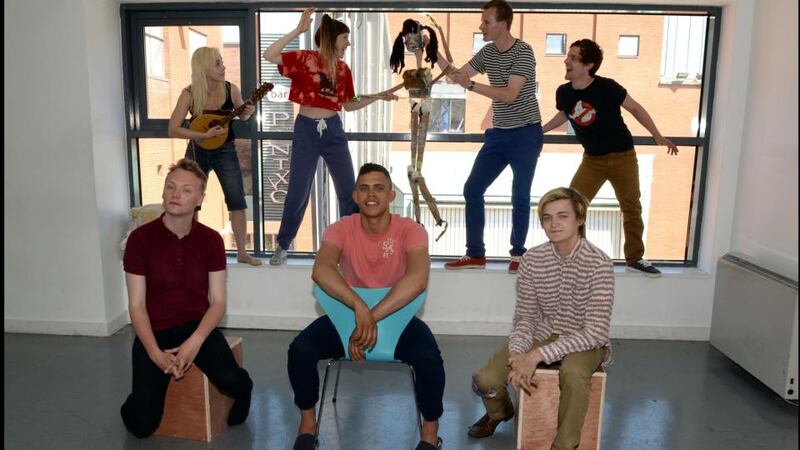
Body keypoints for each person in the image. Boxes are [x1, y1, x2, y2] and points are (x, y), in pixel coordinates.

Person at [287, 163, 445, 450]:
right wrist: (359, 308)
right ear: (355, 196)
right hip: (347, 316)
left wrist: (369, 317)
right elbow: (321, 271)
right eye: (364, 188)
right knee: (300, 350)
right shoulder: (340, 228)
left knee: (429, 359)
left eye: (379, 188)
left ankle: (430, 434)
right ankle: (308, 424)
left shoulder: (411, 230)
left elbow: (417, 279)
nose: (371, 194)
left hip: (396, 317)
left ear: (391, 196)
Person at [468, 187, 613, 450]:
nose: (554, 224)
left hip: (585, 340)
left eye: (562, 216)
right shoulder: (532, 259)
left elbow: (596, 332)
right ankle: (500, 413)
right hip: (543, 332)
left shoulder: (599, 263)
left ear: (579, 219)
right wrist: (518, 356)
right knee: (486, 380)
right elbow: (525, 317)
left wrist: (536, 357)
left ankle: (564, 445)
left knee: (574, 372)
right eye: (547, 218)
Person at [120, 158, 253, 438]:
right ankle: (138, 396)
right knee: (142, 425)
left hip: (196, 327)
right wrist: (155, 354)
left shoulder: (211, 240)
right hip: (154, 331)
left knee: (233, 381)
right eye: (171, 187)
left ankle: (246, 389)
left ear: (200, 199)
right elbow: (136, 306)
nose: (175, 194)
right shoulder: (140, 240)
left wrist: (195, 342)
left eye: (186, 190)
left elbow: (217, 302)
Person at [263, 8, 397, 266]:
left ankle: (356, 244)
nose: (348, 43)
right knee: (298, 190)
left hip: (333, 129)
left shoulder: (344, 69)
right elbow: (270, 55)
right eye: (345, 38)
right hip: (306, 128)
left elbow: (349, 104)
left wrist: (379, 95)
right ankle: (283, 244)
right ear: (331, 39)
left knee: (349, 190)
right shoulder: (304, 59)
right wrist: (298, 31)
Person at [541, 38, 679, 278]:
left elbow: (635, 108)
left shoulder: (607, 87)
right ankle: (571, 258)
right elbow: (564, 115)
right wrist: (539, 131)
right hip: (592, 161)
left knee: (632, 207)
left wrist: (657, 135)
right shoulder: (563, 92)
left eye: (573, 58)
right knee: (571, 207)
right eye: (568, 56)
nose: (566, 61)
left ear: (589, 65)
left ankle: (635, 258)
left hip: (623, 157)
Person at [442, 0, 544, 274]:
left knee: (520, 195)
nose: (481, 25)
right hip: (498, 134)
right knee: (472, 189)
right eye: (482, 20)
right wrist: (433, 52)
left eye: (486, 21)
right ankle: (475, 254)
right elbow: (458, 76)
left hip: (526, 133)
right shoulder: (487, 52)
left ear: (503, 24)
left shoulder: (523, 52)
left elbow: (510, 95)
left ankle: (518, 255)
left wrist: (472, 85)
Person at [168, 46, 262, 266]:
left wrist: (248, 110)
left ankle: (242, 252)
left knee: (237, 200)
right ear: (203, 68)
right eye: (217, 63)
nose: (223, 67)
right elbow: (173, 129)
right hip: (196, 150)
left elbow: (244, 113)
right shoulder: (189, 94)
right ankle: (187, 251)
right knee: (189, 202)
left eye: (222, 62)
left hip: (225, 150)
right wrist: (203, 134)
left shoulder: (231, 90)